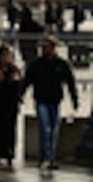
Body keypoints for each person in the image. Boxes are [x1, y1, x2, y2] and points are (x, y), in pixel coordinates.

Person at [20, 35, 79, 173]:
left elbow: (70, 83)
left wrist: (75, 100)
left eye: (46, 47)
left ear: (53, 48)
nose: (44, 50)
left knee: (53, 131)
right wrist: (20, 95)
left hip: (55, 101)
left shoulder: (62, 64)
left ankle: (50, 158)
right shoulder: (36, 64)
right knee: (45, 128)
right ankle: (44, 158)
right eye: (42, 47)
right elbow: (27, 80)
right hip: (41, 100)